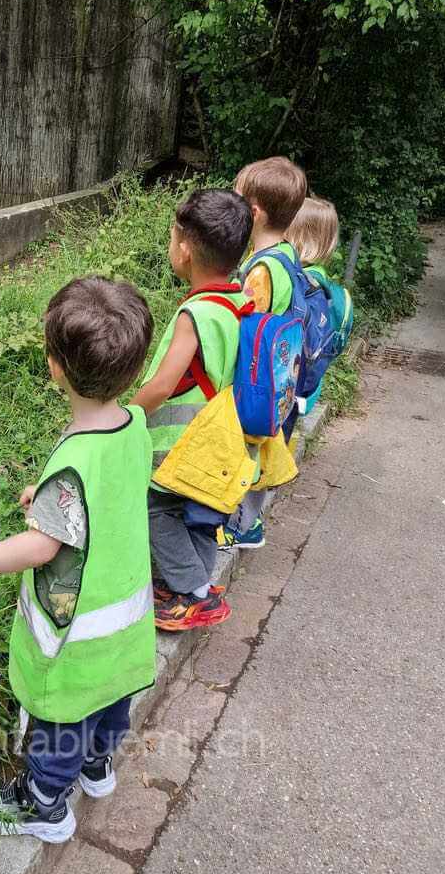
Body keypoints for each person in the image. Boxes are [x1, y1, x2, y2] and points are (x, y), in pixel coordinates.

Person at [0, 276, 156, 843]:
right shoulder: (135, 426)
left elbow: (41, 547)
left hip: (76, 636)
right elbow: (109, 494)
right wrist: (56, 504)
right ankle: (98, 768)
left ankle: (45, 805)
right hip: (126, 627)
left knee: (63, 718)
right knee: (110, 709)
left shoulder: (75, 457)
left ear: (55, 366)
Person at [129, 187, 254, 631]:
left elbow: (163, 383)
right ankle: (199, 582)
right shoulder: (240, 300)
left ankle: (192, 594)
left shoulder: (195, 313)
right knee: (198, 517)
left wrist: (127, 413)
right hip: (222, 438)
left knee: (156, 510)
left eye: (171, 237)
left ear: (184, 247)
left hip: (181, 443)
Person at [219, 157, 308, 551]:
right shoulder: (289, 254)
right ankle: (249, 523)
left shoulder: (260, 271)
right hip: (280, 377)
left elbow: (245, 326)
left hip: (255, 383)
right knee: (261, 449)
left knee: (244, 453)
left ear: (253, 213)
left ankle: (233, 526)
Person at [284, 195, 349, 415]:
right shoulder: (332, 291)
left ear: (296, 236)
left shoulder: (294, 284)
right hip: (308, 391)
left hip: (280, 391)